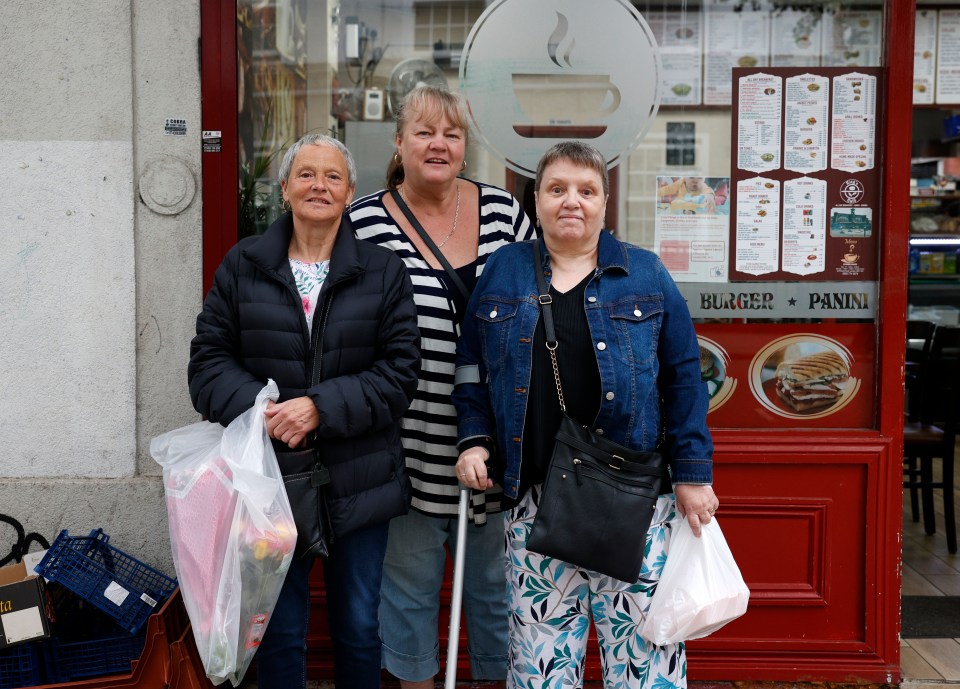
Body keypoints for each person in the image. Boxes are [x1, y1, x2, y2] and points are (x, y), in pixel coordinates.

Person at [452, 141, 717, 687]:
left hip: (635, 502)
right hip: (534, 499)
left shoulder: (645, 274)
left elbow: (684, 379)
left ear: (604, 201)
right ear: (536, 200)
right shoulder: (502, 272)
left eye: (586, 190)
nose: (571, 201)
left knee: (644, 662)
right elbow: (471, 367)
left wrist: (692, 474)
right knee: (540, 665)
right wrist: (474, 440)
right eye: (557, 189)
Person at [188, 133, 421, 689]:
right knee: (279, 629)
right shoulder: (245, 264)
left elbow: (400, 372)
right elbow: (207, 364)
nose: (320, 185)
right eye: (308, 174)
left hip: (360, 480)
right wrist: (264, 407)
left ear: (350, 193)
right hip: (270, 483)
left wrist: (319, 408)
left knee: (360, 625)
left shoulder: (382, 271)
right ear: (287, 188)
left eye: (333, 176)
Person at [349, 84, 535, 687]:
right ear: (399, 143)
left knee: (495, 591)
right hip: (403, 444)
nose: (439, 144)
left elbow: (544, 297)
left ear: (465, 145)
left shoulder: (506, 213)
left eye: (452, 134)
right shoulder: (363, 223)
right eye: (425, 132)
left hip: (499, 444)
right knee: (407, 592)